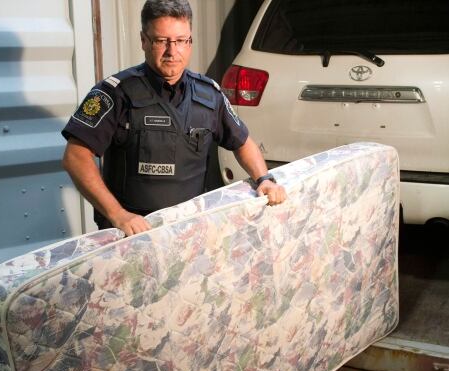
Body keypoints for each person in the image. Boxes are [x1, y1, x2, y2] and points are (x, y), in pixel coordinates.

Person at [61, 0, 286, 236]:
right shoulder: (115, 93)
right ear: (143, 41)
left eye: (181, 40)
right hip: (131, 235)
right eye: (161, 41)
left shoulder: (209, 95)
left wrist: (264, 178)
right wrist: (119, 215)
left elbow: (242, 142)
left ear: (190, 42)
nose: (172, 51)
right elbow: (75, 157)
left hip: (189, 232)